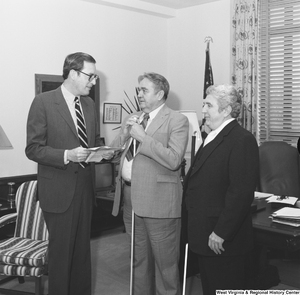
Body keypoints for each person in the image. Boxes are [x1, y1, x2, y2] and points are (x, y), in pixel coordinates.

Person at [26, 52, 111, 295]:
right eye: (90, 76)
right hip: (58, 193)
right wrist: (67, 155)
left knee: (82, 257)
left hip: (84, 192)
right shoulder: (43, 102)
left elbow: (92, 142)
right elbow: (33, 149)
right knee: (61, 260)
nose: (93, 82)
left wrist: (106, 152)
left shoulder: (89, 104)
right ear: (73, 73)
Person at [110, 72, 189, 295]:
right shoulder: (134, 118)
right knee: (138, 262)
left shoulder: (177, 120)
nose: (139, 94)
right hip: (130, 200)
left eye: (144, 90)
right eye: (139, 90)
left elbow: (173, 159)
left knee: (165, 267)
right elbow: (115, 155)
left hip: (159, 203)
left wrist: (143, 137)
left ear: (160, 93)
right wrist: (125, 134)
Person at [182, 84, 259, 294]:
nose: (203, 110)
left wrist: (221, 232)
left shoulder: (242, 140)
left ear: (225, 110)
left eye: (208, 105)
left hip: (221, 239)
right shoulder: (212, 135)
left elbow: (241, 193)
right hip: (205, 233)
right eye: (203, 104)